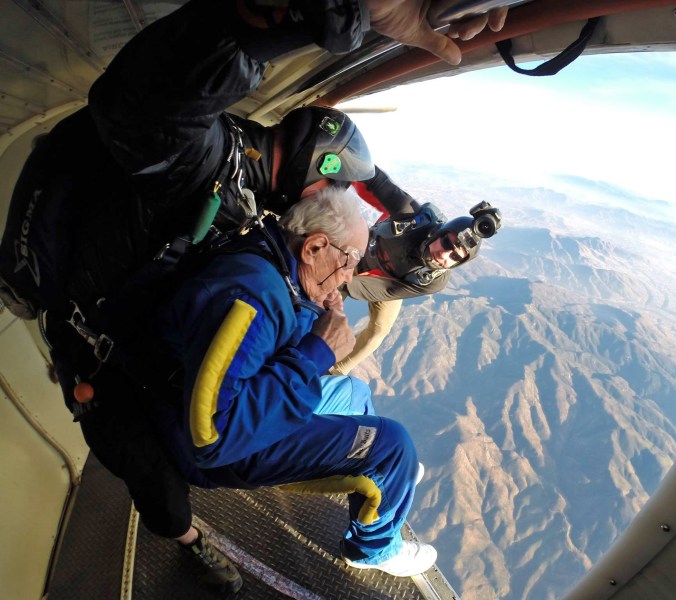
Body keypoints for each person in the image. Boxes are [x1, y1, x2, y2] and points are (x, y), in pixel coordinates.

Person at [0, 0, 508, 593]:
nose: (347, 273)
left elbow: (338, 259)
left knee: (355, 394)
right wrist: (282, 20)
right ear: (316, 214)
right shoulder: (208, 169)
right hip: (152, 387)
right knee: (380, 446)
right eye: (336, 186)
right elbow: (143, 100)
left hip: (167, 348)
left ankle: (362, 474)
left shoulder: (260, 214)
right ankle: (328, 542)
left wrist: (417, 244)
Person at [155, 185, 436, 576]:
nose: (352, 274)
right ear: (315, 247)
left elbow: (265, 343)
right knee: (392, 444)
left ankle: (385, 479)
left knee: (355, 392)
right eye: (351, 259)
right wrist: (318, 350)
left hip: (234, 403)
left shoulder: (271, 258)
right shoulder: (250, 299)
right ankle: (374, 549)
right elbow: (214, 435)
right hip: (221, 449)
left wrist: (316, 308)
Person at [331, 182, 502, 375]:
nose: (444, 255)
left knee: (377, 332)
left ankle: (333, 373)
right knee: (322, 296)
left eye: (455, 257)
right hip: (358, 250)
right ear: (440, 232)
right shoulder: (412, 216)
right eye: (446, 242)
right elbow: (373, 180)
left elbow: (384, 289)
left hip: (389, 281)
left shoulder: (433, 280)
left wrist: (338, 284)